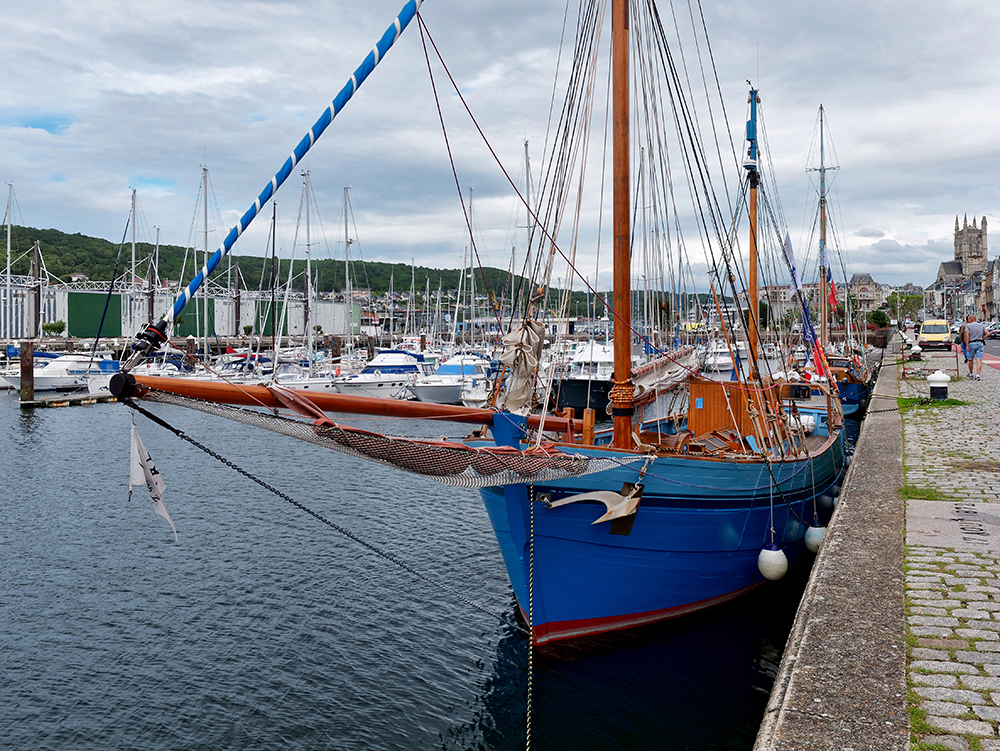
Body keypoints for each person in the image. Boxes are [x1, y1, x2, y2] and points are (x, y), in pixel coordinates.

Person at [964, 313, 987, 380]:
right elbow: (988, 333)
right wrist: (983, 339)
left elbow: (967, 335)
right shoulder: (981, 325)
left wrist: (967, 345)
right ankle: (978, 375)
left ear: (971, 319)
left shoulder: (968, 326)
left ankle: (971, 374)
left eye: (968, 319)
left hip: (971, 343)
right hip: (979, 343)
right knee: (979, 359)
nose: (968, 321)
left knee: (970, 359)